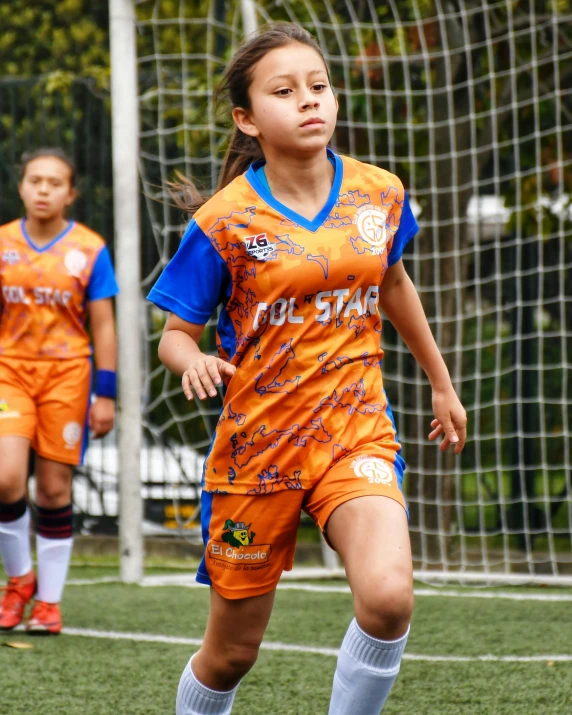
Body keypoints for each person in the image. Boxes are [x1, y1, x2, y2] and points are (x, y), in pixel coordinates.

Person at [148, 22, 467, 715]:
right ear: (247, 118)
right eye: (285, 91)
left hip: (356, 432)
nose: (309, 101)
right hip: (258, 450)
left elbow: (394, 285)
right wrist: (193, 358)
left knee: (387, 599)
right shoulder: (224, 221)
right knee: (231, 655)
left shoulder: (378, 193)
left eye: (318, 86)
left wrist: (442, 384)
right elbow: (175, 334)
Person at [0, 148, 119, 635]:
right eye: (35, 180)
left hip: (69, 375)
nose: (43, 189)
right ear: (22, 187)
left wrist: (105, 393)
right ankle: (19, 581)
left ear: (70, 194)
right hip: (10, 372)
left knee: (52, 490)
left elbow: (104, 326)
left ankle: (48, 603)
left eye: (54, 182)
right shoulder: (3, 243)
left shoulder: (90, 248)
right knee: (7, 479)